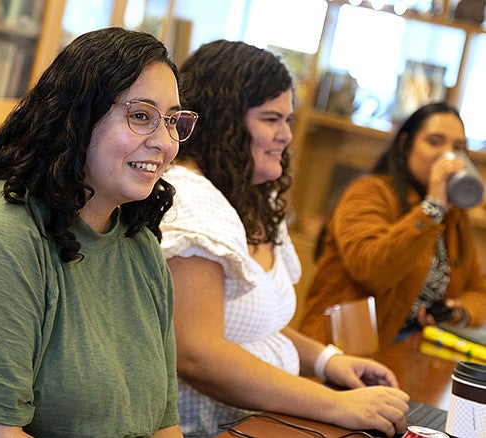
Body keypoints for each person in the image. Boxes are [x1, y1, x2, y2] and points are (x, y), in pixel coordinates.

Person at [0, 27, 197, 437]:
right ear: (77, 117)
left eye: (172, 121)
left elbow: (163, 425)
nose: (164, 142)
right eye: (141, 117)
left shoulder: (139, 245)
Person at [159, 40, 410, 438]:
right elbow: (197, 356)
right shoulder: (190, 202)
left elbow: (250, 327)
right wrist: (337, 405)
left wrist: (328, 361)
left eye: (288, 119)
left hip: (260, 422)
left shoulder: (251, 197)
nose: (287, 136)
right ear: (225, 122)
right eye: (271, 119)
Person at [299, 102, 486, 348]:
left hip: (410, 355)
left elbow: (478, 291)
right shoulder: (369, 192)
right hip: (342, 351)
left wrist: (455, 311)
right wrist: (432, 208)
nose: (448, 156)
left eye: (458, 147)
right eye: (434, 141)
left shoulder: (454, 215)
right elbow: (372, 270)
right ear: (405, 145)